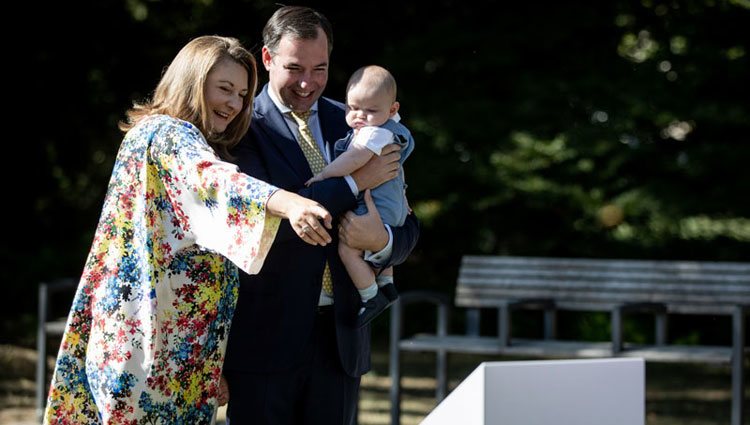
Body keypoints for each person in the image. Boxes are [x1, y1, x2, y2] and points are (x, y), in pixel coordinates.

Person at [43, 35, 333, 425]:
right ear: (193, 83)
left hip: (166, 348)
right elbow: (216, 182)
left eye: (243, 95)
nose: (233, 104)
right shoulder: (168, 134)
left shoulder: (161, 137)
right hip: (150, 348)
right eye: (224, 89)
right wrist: (288, 202)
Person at [222, 6, 420, 425]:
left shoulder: (358, 120)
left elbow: (406, 222)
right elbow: (265, 223)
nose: (308, 83)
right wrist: (353, 183)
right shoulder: (240, 128)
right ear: (267, 59)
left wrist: (381, 241)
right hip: (265, 342)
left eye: (320, 68)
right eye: (295, 68)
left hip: (341, 340)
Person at [305, 65, 414, 328]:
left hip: (377, 205)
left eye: (370, 111)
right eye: (352, 108)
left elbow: (354, 158)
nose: (359, 116)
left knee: (349, 249)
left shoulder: (373, 132)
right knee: (377, 238)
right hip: (396, 205)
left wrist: (324, 175)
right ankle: (386, 283)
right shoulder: (392, 130)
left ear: (392, 110)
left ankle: (371, 296)